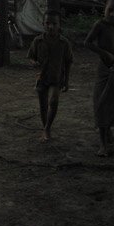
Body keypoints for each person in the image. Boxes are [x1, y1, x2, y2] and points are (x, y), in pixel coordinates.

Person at [84, 0, 114, 157]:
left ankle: (109, 129)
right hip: (104, 70)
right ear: (104, 8)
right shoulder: (100, 25)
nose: (112, 14)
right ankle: (103, 144)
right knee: (102, 104)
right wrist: (104, 53)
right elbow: (87, 42)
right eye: (109, 10)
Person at [27, 10, 73, 142]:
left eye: (54, 23)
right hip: (42, 78)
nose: (51, 26)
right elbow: (31, 57)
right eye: (47, 23)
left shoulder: (64, 43)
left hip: (57, 78)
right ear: (43, 24)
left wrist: (67, 81)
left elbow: (68, 62)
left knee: (53, 101)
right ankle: (45, 127)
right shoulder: (38, 41)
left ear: (59, 25)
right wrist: (34, 63)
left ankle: (47, 128)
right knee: (43, 105)